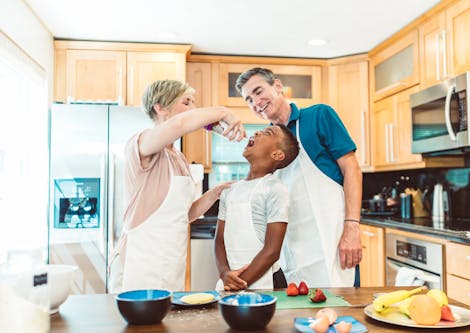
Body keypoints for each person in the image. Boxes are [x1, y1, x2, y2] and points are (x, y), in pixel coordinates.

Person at [109, 79, 246, 293]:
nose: (193, 109)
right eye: (187, 102)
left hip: (170, 260)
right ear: (160, 107)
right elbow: (180, 124)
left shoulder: (178, 157)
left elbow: (185, 214)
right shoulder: (143, 142)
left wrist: (215, 193)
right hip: (141, 260)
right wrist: (222, 112)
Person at [235, 67, 363, 287]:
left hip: (331, 241)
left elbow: (351, 168)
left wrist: (352, 228)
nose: (255, 102)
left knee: (340, 312)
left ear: (277, 86)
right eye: (249, 99)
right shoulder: (266, 142)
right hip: (291, 250)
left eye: (258, 91)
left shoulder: (319, 116)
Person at [214, 124, 300, 291]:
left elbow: (272, 251)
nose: (257, 132)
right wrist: (225, 273)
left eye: (267, 133)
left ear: (277, 154)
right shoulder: (230, 191)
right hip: (231, 281)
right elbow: (219, 241)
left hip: (266, 282)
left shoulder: (275, 190)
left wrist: (238, 284)